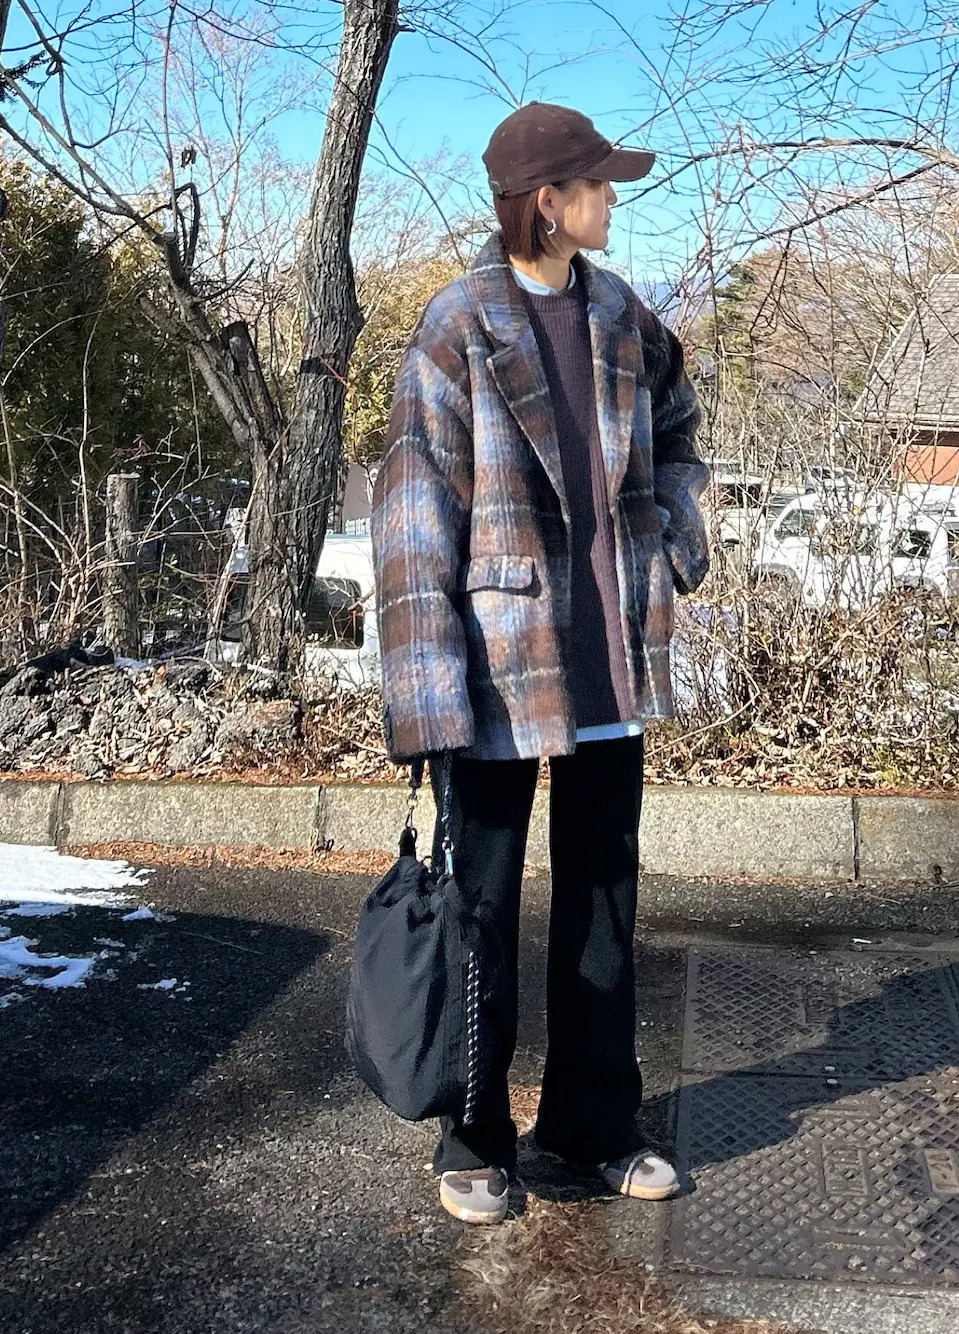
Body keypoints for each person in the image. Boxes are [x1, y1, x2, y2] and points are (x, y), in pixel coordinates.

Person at [371, 102, 709, 1226]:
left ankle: (591, 1126)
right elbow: (412, 513)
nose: (613, 199)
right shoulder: (458, 324)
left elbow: (680, 429)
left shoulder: (622, 314)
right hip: (495, 659)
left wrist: (672, 529)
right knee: (479, 901)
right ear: (549, 202)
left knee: (604, 897)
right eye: (599, 183)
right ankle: (474, 1134)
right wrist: (425, 695)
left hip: (610, 650)